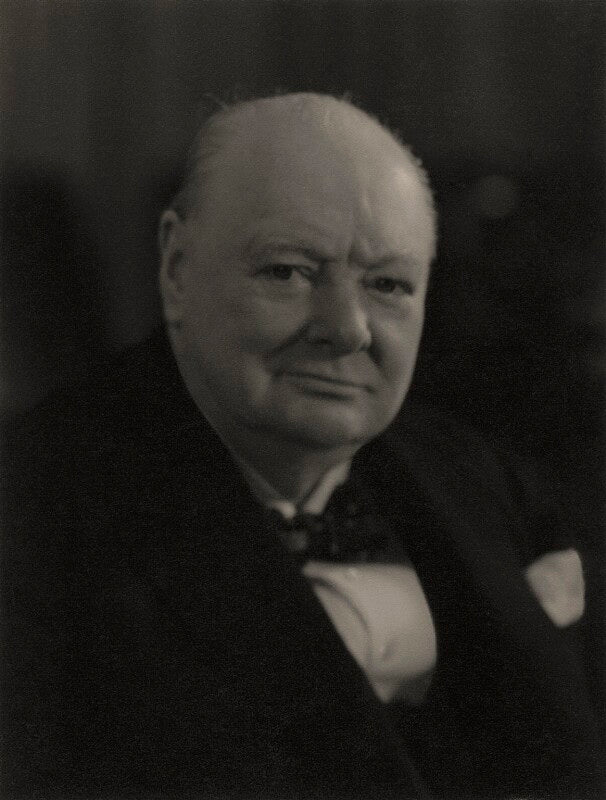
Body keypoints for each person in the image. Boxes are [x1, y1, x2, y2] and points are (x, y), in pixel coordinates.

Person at [1, 93, 599, 799]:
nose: (347, 328)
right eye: (287, 271)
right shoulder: (33, 511)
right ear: (177, 268)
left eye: (388, 284)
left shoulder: (476, 475)